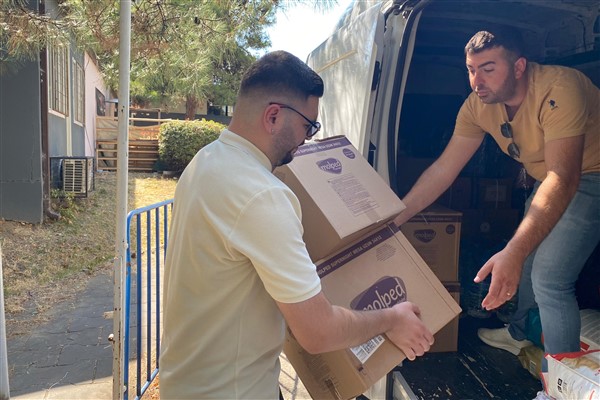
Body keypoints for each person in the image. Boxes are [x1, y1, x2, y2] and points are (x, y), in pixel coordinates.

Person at [159, 50, 434, 400]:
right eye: (309, 125)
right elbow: (318, 332)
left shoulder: (206, 161)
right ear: (274, 116)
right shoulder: (263, 195)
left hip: (188, 383)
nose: (308, 138)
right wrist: (392, 318)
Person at [393, 28, 599, 396]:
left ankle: (564, 387)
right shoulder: (478, 106)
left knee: (549, 278)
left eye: (488, 69)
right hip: (549, 179)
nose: (477, 81)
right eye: (471, 70)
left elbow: (564, 178)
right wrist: (396, 217)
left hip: (590, 175)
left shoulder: (559, 88)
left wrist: (513, 251)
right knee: (529, 263)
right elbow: (444, 169)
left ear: (519, 66)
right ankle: (518, 333)